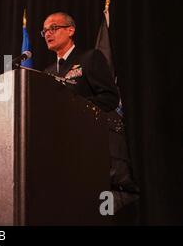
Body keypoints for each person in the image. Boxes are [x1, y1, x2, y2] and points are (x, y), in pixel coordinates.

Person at [42, 12, 139, 214]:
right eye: (44, 31)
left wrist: (76, 107)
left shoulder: (89, 58)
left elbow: (110, 97)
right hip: (64, 151)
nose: (47, 34)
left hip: (94, 147)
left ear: (71, 30)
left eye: (53, 28)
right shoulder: (47, 73)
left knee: (98, 210)